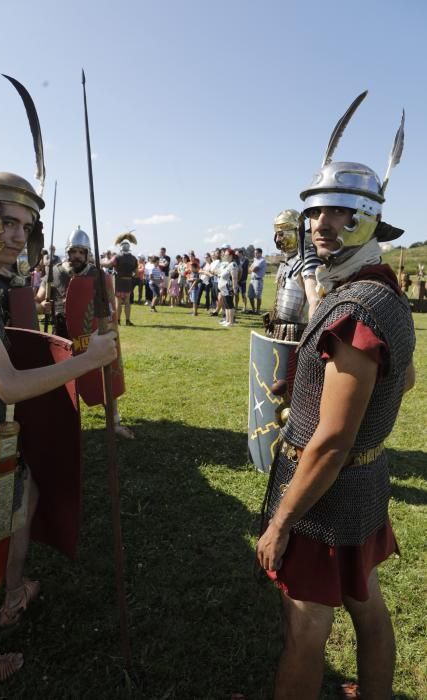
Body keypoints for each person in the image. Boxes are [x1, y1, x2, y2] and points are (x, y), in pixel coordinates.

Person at [256, 93, 415, 699]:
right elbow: (401, 380)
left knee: (305, 632)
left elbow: (332, 440)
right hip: (363, 483)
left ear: (372, 219)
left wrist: (282, 521)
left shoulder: (355, 308)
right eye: (317, 213)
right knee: (366, 605)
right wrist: (308, 382)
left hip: (327, 493)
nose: (323, 225)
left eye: (342, 214)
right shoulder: (383, 290)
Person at [0, 172, 116, 690]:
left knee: (23, 501)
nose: (14, 236)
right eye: (5, 221)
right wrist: (88, 361)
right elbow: (5, 383)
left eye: (23, 227)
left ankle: (14, 594)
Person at [36, 227, 134, 438]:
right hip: (62, 330)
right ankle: (64, 420)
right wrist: (43, 303)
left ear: (87, 253)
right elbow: (40, 297)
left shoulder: (97, 275)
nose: (77, 256)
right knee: (62, 378)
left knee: (103, 374)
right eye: (74, 251)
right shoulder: (55, 271)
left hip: (92, 334)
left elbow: (108, 307)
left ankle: (113, 421)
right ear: (68, 251)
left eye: (82, 252)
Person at [264, 209, 320, 341]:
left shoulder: (308, 258)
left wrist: (312, 338)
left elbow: (315, 301)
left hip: (300, 331)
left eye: (281, 234)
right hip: (282, 328)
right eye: (276, 234)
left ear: (295, 232)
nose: (277, 239)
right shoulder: (288, 259)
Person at [102, 233, 138, 326]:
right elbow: (136, 273)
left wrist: (100, 262)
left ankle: (118, 321)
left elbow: (108, 265)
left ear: (121, 247)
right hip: (128, 281)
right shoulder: (134, 258)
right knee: (127, 302)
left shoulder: (117, 257)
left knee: (118, 302)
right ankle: (127, 321)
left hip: (119, 281)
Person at [217, 248, 238, 327]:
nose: (225, 256)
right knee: (226, 305)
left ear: (231, 256)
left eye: (227, 255)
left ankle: (231, 322)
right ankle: (227, 320)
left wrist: (234, 288)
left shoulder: (233, 264)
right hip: (224, 289)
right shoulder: (228, 264)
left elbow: (234, 277)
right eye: (225, 255)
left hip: (229, 288)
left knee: (230, 305)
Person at [248, 247, 266, 313]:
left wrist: (252, 268)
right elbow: (249, 269)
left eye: (257, 253)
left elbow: (253, 269)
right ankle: (253, 309)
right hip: (252, 280)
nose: (255, 254)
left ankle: (258, 310)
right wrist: (251, 268)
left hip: (258, 280)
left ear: (260, 253)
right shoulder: (255, 260)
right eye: (254, 253)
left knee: (258, 296)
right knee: (250, 296)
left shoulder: (262, 260)